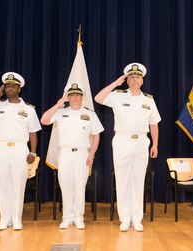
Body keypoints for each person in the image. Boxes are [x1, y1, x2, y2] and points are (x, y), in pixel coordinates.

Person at [95, 63, 161, 232]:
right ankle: (124, 218)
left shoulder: (149, 100)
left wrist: (155, 144)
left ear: (142, 80)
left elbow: (154, 123)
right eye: (131, 77)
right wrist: (115, 83)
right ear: (127, 79)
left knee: (138, 181)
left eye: (137, 77)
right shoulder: (118, 95)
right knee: (123, 180)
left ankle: (137, 219)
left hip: (141, 142)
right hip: (122, 141)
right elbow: (98, 98)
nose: (134, 79)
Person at [0, 72, 41, 231]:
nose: (10, 88)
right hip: (2, 148)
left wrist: (33, 153)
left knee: (18, 184)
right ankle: (5, 219)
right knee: (2, 184)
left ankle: (17, 219)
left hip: (20, 148)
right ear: (4, 88)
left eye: (14, 86)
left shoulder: (28, 109)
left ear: (19, 89)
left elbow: (33, 133)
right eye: (8, 86)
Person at [41, 82, 104, 229]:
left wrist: (92, 154)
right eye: (71, 95)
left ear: (82, 97)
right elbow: (44, 120)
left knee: (80, 187)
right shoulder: (61, 112)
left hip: (82, 154)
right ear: (67, 97)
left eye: (77, 95)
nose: (74, 97)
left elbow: (96, 136)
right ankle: (67, 217)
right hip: (65, 153)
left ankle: (79, 217)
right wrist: (58, 104)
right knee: (66, 185)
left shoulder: (90, 114)